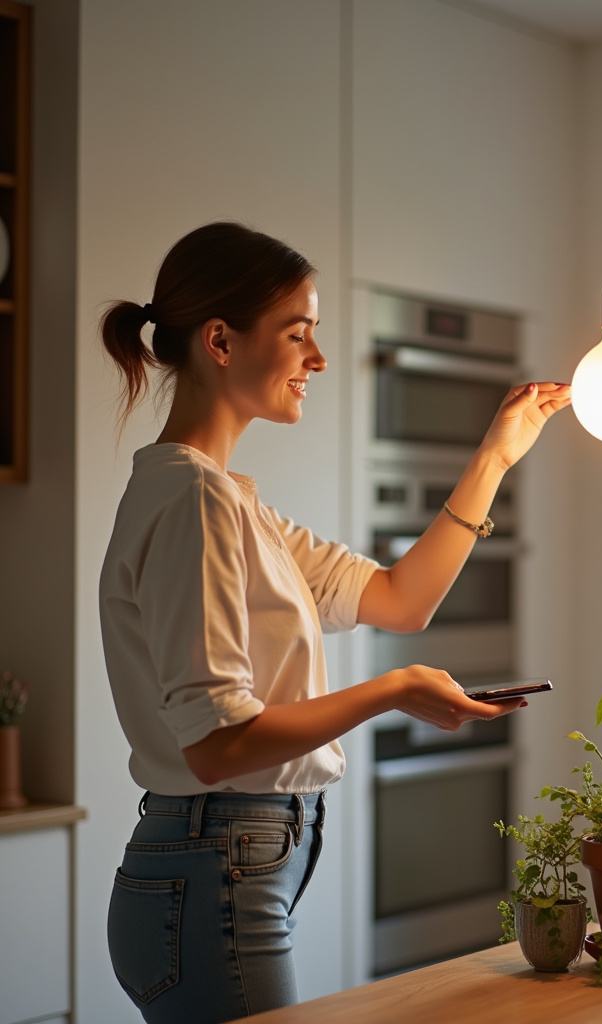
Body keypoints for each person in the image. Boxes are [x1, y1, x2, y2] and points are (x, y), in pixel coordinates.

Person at [98, 221, 571, 1024]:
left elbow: (399, 599)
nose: (318, 359)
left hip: (222, 866)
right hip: (213, 867)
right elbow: (216, 747)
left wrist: (495, 458)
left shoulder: (231, 503)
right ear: (220, 340)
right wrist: (389, 692)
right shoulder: (195, 503)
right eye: (298, 334)